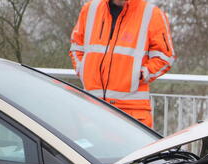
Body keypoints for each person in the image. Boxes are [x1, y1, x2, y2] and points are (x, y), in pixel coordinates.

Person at [69, 0, 175, 128]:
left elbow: (165, 56)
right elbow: (76, 47)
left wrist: (141, 74)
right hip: (92, 108)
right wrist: (83, 70)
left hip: (131, 112)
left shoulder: (152, 13)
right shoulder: (90, 9)